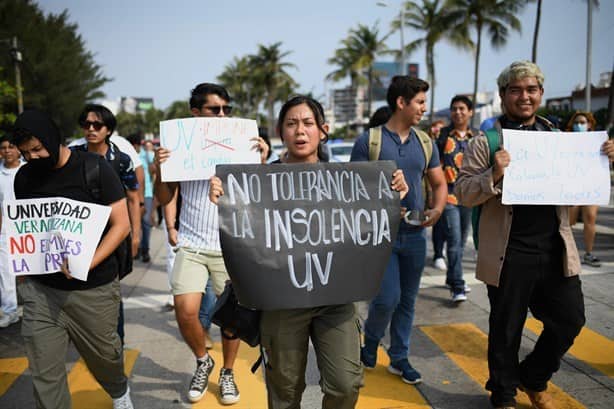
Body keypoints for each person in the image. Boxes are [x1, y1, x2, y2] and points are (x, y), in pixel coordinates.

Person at [209, 95, 409, 409]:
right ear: (280, 131)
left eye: (307, 123)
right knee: (285, 391)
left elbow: (372, 225)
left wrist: (393, 190)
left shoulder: (349, 181)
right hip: (281, 301)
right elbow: (240, 234)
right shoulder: (257, 182)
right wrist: (224, 197)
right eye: (291, 124)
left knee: (345, 384)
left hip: (336, 300)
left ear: (323, 130)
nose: (300, 131)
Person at [456, 60, 614, 409]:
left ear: (540, 94)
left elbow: (584, 185)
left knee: (570, 320)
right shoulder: (486, 142)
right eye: (515, 90)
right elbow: (464, 193)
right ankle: (504, 395)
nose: (524, 96)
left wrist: (602, 160)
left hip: (554, 247)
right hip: (509, 251)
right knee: (506, 329)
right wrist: (494, 174)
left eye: (531, 90)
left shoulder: (559, 139)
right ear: (502, 96)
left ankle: (533, 377)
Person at [154, 83, 268, 404]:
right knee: (185, 310)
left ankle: (228, 373)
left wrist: (260, 161)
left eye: (226, 110)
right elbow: (165, 198)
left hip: (229, 246)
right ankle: (204, 360)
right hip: (191, 244)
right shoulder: (179, 147)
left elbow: (257, 198)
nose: (221, 115)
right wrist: (160, 170)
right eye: (214, 109)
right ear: (196, 113)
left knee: (231, 318)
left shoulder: (241, 144)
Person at [12, 109, 133, 409]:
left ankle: (119, 391)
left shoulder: (94, 169)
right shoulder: (24, 178)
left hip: (93, 290)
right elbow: (28, 228)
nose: (34, 157)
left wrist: (86, 263)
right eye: (26, 153)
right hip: (41, 292)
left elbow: (122, 225)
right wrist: (23, 274)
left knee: (106, 357)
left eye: (38, 149)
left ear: (53, 139)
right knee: (44, 372)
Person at [351, 75, 447, 385]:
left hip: (416, 234)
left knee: (408, 300)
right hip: (381, 236)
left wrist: (437, 209)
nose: (423, 108)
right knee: (387, 298)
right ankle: (371, 340)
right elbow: (353, 189)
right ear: (401, 103)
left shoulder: (425, 142)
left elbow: (439, 182)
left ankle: (399, 357)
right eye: (419, 101)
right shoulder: (369, 141)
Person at [71, 104, 140, 345]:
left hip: (113, 234)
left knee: (111, 290)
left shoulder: (121, 160)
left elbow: (133, 197)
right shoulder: (71, 155)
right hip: (77, 235)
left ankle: (115, 342)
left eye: (97, 125)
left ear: (108, 130)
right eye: (86, 124)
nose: (90, 129)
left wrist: (135, 235)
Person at [435, 95, 478, 302]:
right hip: (449, 197)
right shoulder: (443, 136)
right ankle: (458, 286)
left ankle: (452, 277)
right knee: (453, 240)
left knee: (461, 242)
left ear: (470, 112)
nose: (457, 112)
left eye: (462, 109)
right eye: (454, 109)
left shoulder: (477, 137)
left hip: (469, 197)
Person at [566, 111, 601, 267]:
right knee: (569, 221)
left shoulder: (598, 141)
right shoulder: (565, 140)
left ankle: (588, 253)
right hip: (572, 185)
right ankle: (567, 252)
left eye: (583, 122)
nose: (579, 125)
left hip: (590, 185)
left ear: (589, 125)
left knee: (590, 218)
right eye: (577, 122)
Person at [0, 135, 24, 328]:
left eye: (11, 147)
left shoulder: (27, 170)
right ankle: (10, 311)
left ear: (18, 150)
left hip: (27, 229)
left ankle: (32, 307)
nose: (7, 151)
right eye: (3, 148)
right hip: (5, 230)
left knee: (28, 270)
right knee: (6, 272)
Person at [428, 119, 447, 271]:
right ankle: (438, 253)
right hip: (432, 189)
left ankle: (442, 250)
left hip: (450, 189)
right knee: (438, 224)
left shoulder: (446, 140)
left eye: (440, 127)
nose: (437, 129)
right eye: (435, 126)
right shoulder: (427, 143)